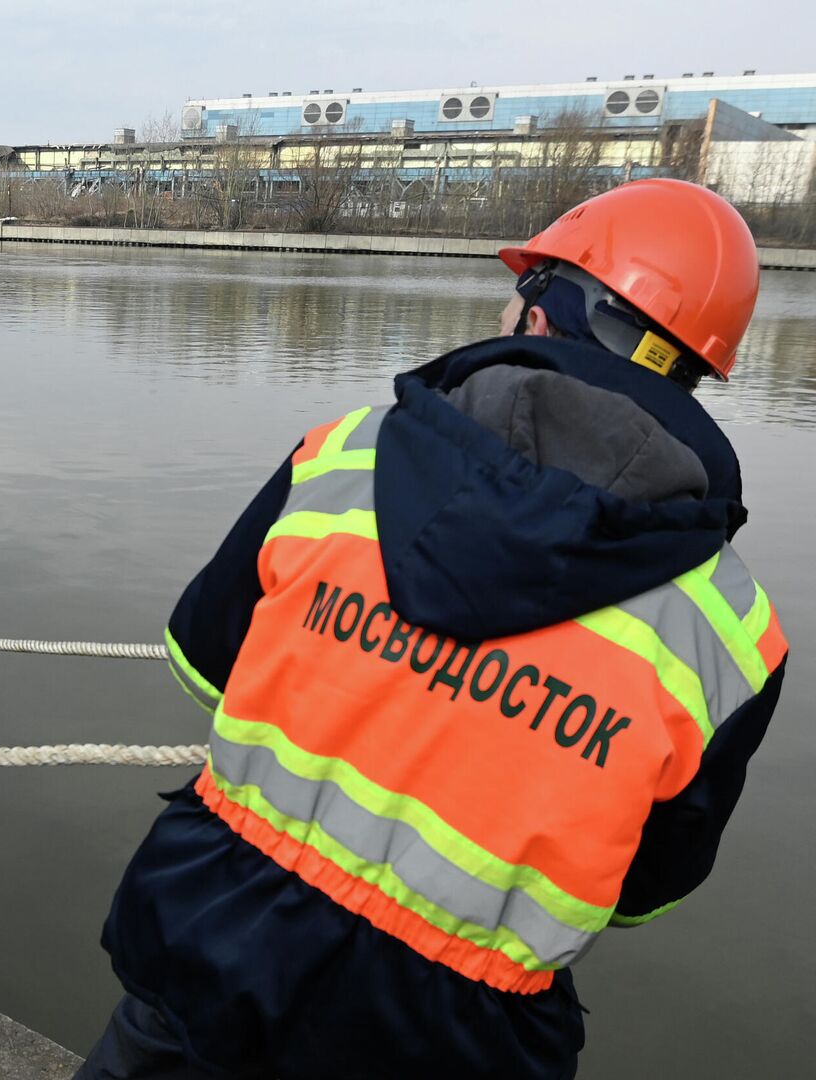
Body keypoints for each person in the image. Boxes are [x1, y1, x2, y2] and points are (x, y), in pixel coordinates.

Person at [84, 178, 788, 1080]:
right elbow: (644, 893)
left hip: (214, 950)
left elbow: (202, 664)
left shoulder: (341, 456)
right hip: (452, 1044)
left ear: (547, 313)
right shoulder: (732, 632)